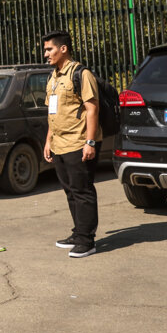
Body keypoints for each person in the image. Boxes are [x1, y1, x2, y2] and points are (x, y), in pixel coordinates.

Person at [42, 30, 101, 258]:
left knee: (82, 191)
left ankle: (87, 241)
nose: (46, 53)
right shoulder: (53, 76)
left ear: (63, 48)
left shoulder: (81, 73)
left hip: (78, 142)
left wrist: (90, 142)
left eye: (50, 49)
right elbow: (52, 112)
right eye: (46, 49)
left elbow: (92, 108)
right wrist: (48, 141)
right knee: (70, 191)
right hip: (58, 144)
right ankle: (78, 233)